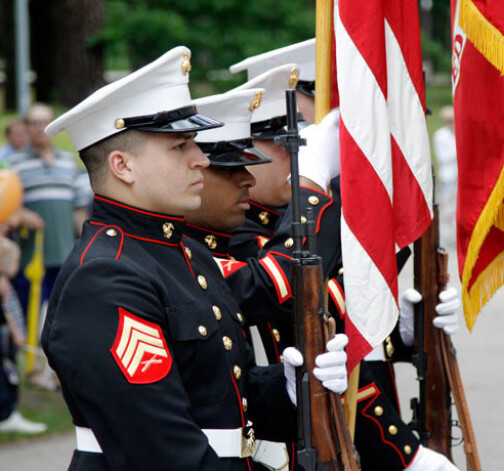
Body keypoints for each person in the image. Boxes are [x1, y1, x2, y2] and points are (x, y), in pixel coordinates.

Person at [40, 46, 348, 471]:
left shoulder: (184, 254)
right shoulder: (105, 277)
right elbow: (162, 450)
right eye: (180, 146)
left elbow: (218, 397)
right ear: (122, 166)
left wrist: (290, 388)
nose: (201, 158)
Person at [224, 61, 460, 470]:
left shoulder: (306, 222)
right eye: (284, 144)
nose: (297, 155)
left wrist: (400, 333)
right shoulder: (241, 239)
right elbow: (290, 312)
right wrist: (402, 452)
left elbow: (345, 334)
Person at [7, 103, 91, 318]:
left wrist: (87, 247)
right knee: (30, 321)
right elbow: (6, 209)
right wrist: (23, 214)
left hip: (65, 259)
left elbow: (79, 210)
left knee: (63, 320)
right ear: (26, 127)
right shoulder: (14, 164)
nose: (39, 128)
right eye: (34, 123)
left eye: (44, 122)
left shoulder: (68, 162)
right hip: (30, 262)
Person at [432, 106, 458, 246]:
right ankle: (448, 234)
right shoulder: (440, 135)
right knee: (448, 204)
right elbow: (443, 156)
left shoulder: (458, 133)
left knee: (457, 204)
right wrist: (457, 153)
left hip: (457, 174)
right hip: (447, 174)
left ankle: (455, 232)